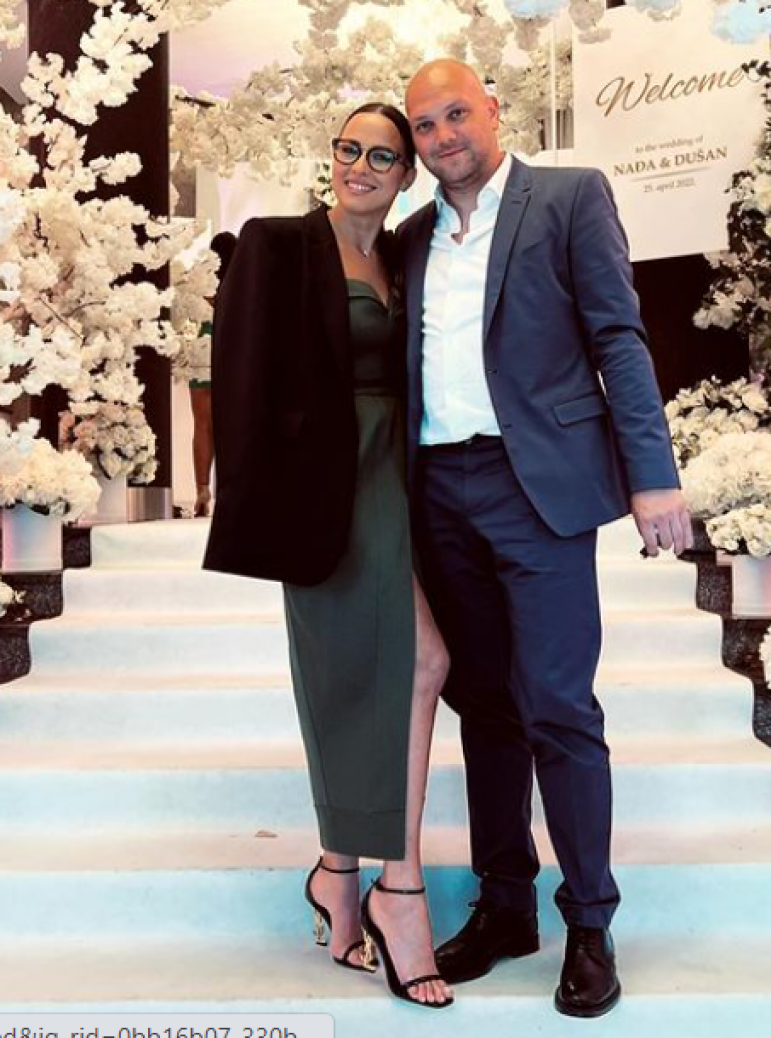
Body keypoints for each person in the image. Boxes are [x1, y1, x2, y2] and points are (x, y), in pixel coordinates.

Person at [399, 60, 693, 1019]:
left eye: (456, 114)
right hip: (437, 489)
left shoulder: (568, 198)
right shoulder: (411, 237)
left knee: (558, 705)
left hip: (537, 488)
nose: (443, 136)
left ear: (494, 111)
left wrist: (652, 472)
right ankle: (505, 907)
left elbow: (618, 337)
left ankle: (591, 924)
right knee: (484, 706)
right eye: (425, 124)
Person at [203, 102, 454, 1009]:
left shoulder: (405, 256)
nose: (359, 166)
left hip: (399, 478)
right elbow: (239, 378)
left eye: (382, 156)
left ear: (407, 175)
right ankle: (399, 888)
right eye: (349, 148)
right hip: (323, 490)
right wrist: (254, 508)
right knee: (397, 666)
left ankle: (339, 875)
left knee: (396, 667)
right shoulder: (277, 243)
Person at [189, 230, 236, 518]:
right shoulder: (240, 282)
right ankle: (230, 488)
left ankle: (202, 488)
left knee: (202, 424)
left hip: (202, 349)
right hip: (231, 349)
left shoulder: (202, 284)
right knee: (233, 424)